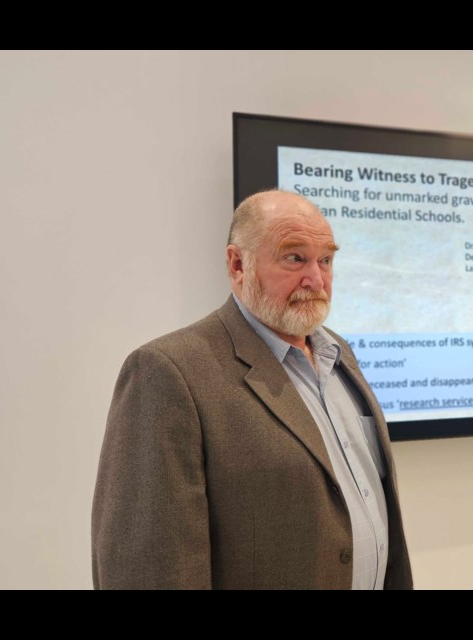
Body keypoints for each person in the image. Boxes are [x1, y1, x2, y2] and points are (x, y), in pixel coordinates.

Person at [92, 190, 412, 589]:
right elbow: (148, 567)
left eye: (326, 260)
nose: (316, 278)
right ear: (238, 263)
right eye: (295, 258)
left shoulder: (338, 352)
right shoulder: (169, 371)